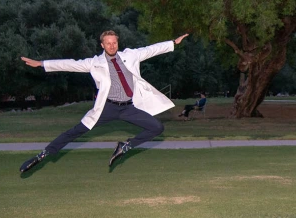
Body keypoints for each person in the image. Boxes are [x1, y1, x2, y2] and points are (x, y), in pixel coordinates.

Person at [19, 31, 189, 172]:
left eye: (114, 42)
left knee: (157, 127)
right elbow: (69, 64)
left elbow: (151, 49)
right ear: (102, 45)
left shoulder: (131, 55)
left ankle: (125, 147)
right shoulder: (94, 63)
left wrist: (173, 42)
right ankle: (42, 155)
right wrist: (42, 64)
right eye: (108, 43)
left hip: (129, 107)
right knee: (75, 131)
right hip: (107, 108)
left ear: (118, 43)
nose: (112, 46)